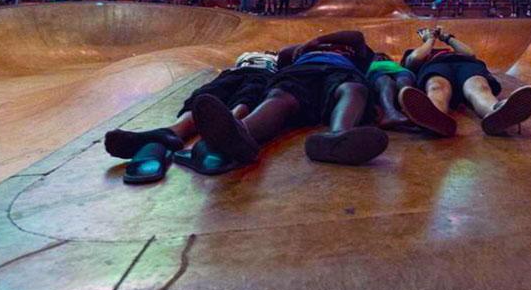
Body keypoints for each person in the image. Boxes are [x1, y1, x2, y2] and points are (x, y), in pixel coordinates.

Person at [189, 30, 387, 170]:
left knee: (353, 89)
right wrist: (306, 48)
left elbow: (356, 36)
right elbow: (283, 55)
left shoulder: (356, 57)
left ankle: (339, 136)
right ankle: (239, 133)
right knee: (281, 97)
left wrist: (318, 40)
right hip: (301, 73)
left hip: (340, 72)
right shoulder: (304, 54)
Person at [102, 52, 279, 182]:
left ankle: (231, 126)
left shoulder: (279, 61)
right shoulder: (246, 56)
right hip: (233, 72)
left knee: (250, 92)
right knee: (207, 95)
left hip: (264, 75)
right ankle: (174, 131)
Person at [397, 26, 531, 138]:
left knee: (480, 88)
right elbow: (415, 58)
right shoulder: (418, 52)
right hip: (436, 66)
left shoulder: (457, 53)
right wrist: (429, 39)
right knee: (436, 88)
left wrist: (447, 38)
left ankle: (497, 113)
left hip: (465, 64)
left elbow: (470, 54)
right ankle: (435, 117)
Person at [367, 52, 420, 132]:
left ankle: (409, 111)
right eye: (376, 56)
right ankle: (390, 113)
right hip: (377, 73)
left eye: (382, 56)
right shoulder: (369, 65)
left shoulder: (395, 65)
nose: (379, 57)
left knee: (403, 82)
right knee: (385, 82)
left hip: (401, 72)